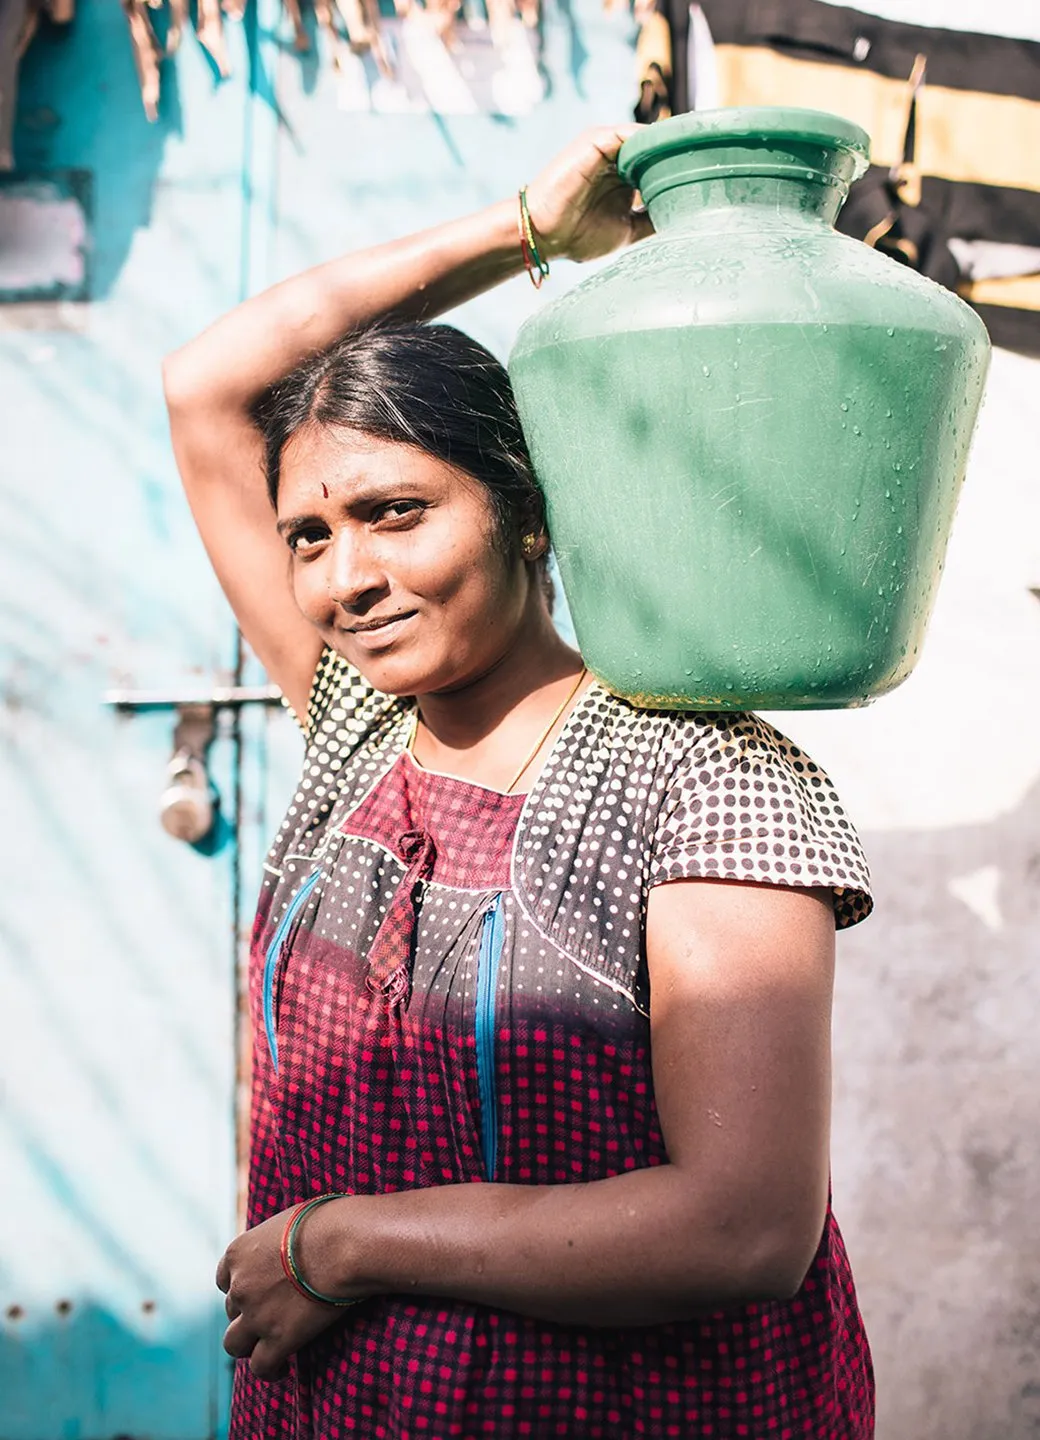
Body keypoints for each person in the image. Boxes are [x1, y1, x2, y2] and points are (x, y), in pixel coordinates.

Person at [164, 125, 875, 1440]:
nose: (344, 582)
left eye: (395, 512)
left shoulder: (702, 775)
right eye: (308, 536)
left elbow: (744, 1228)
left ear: (526, 510)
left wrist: (346, 1246)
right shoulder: (353, 730)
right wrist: (523, 232)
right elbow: (210, 384)